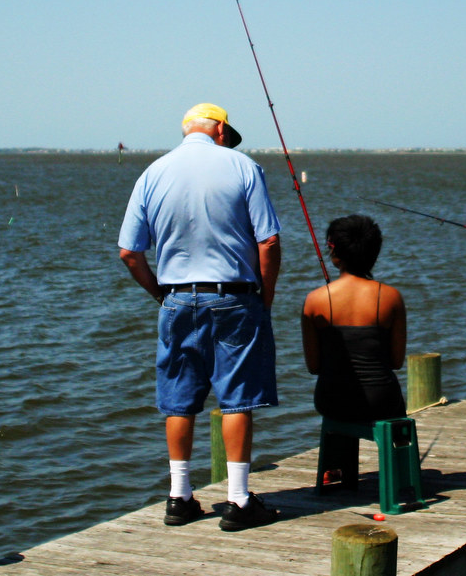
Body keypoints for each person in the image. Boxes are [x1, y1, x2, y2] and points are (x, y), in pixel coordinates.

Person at [118, 103, 282, 531]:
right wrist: (265, 298)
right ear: (221, 129)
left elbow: (129, 252)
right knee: (237, 398)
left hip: (176, 298)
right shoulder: (243, 167)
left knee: (179, 399)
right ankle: (239, 499)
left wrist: (160, 294)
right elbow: (268, 241)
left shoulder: (152, 173)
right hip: (235, 296)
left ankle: (179, 497)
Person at [301, 214, 407, 422]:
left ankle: (337, 444)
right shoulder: (392, 297)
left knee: (338, 413)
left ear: (334, 250)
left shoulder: (314, 300)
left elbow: (314, 367)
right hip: (381, 399)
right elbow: (396, 362)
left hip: (331, 400)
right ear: (374, 252)